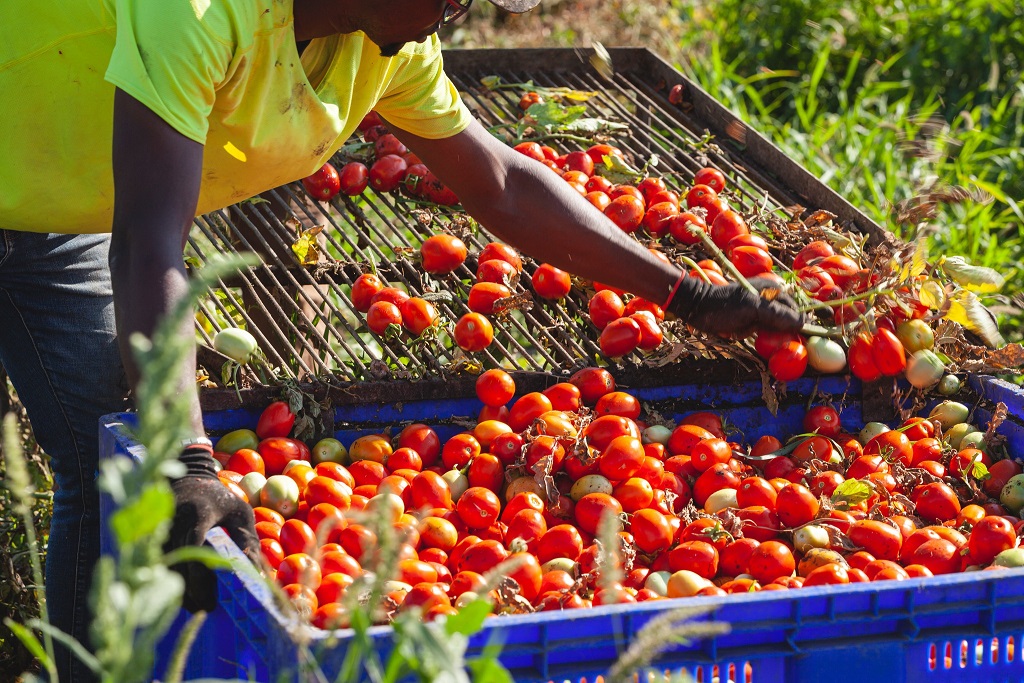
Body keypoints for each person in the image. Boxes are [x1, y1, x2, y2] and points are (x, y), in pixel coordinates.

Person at [0, 0, 802, 680]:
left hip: (44, 204)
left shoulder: (384, 49)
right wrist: (189, 458)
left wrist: (684, 293)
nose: (456, 11)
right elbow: (150, 243)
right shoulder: (205, 13)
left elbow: (503, 184)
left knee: (92, 446)